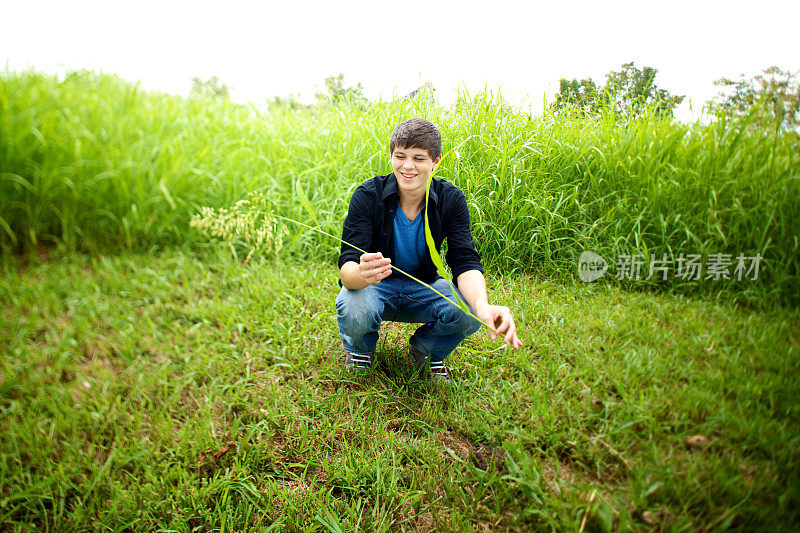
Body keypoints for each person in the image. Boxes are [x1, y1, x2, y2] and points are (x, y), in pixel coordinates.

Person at [335, 118, 523, 382]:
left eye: (419, 158)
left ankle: (426, 350)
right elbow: (347, 270)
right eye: (400, 156)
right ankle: (359, 350)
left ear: (436, 161)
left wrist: (482, 305)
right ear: (391, 157)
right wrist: (361, 273)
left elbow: (464, 259)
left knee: (468, 309)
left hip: (423, 285)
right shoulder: (368, 195)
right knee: (353, 303)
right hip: (375, 288)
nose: (407, 166)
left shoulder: (451, 199)